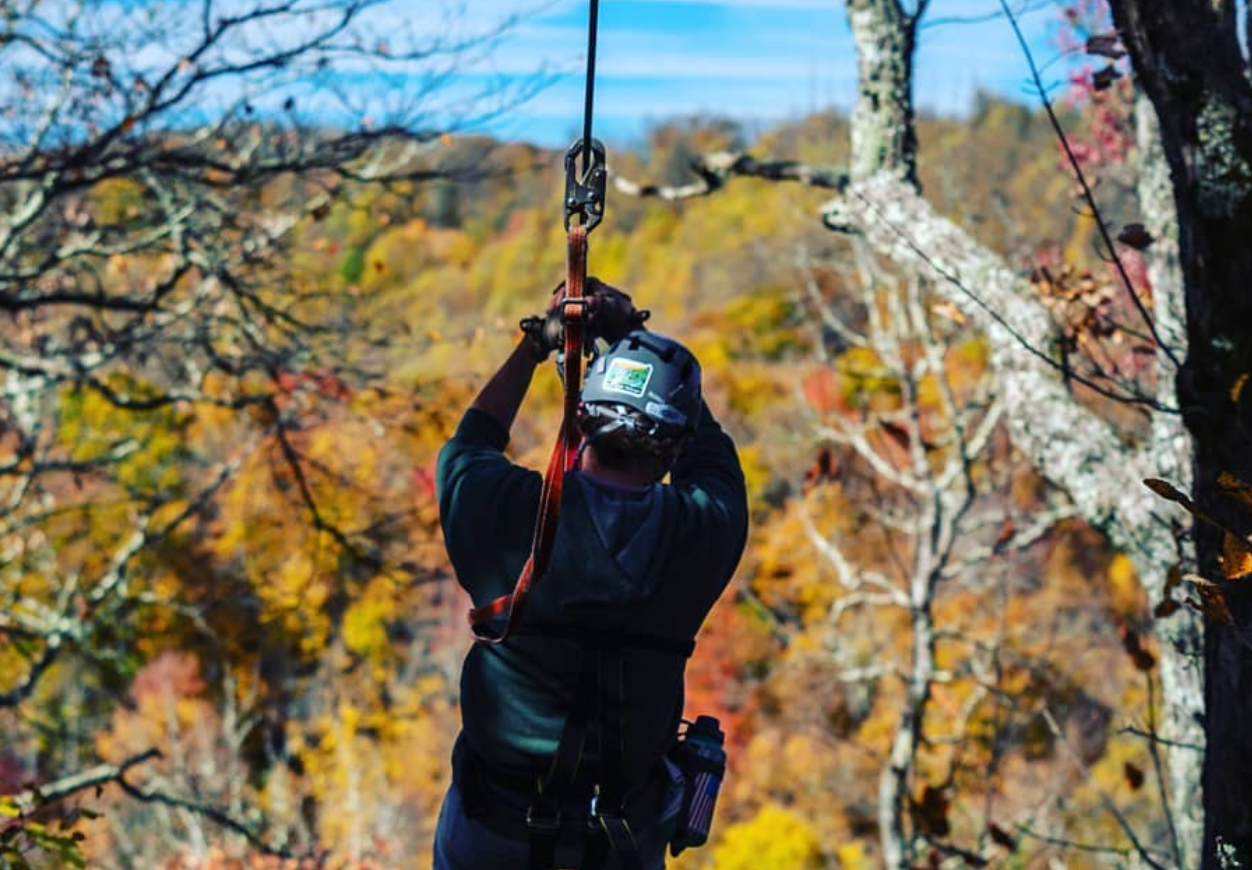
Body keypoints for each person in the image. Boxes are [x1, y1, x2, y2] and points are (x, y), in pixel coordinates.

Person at [433, 278, 748, 870]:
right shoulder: (704, 533)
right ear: (673, 451)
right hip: (622, 840)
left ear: (578, 424)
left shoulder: (502, 513)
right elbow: (711, 457)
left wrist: (535, 345)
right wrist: (633, 338)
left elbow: (471, 441)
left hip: (491, 827)